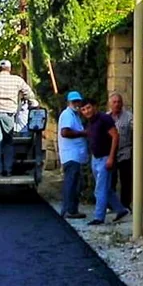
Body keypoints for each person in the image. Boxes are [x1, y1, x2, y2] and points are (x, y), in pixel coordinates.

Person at [0, 60, 39, 176]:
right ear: (10, 69)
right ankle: (8, 170)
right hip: (9, 114)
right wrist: (30, 101)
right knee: (8, 142)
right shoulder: (17, 80)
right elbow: (29, 94)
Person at [79, 98, 130, 225]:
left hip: (105, 158)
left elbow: (115, 136)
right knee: (106, 189)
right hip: (95, 159)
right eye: (84, 109)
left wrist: (111, 157)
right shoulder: (90, 122)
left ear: (95, 107)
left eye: (89, 107)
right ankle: (121, 209)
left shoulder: (104, 119)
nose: (87, 111)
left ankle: (98, 217)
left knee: (99, 189)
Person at [57, 91, 88, 219]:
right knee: (71, 183)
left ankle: (70, 209)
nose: (77, 104)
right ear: (69, 102)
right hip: (71, 155)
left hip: (75, 155)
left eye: (78, 102)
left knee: (74, 183)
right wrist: (83, 133)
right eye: (74, 102)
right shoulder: (68, 115)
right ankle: (70, 210)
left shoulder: (75, 115)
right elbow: (65, 132)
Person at [107, 92, 134, 210]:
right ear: (110, 104)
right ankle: (111, 205)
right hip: (110, 154)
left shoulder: (129, 116)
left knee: (126, 180)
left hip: (125, 152)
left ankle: (125, 205)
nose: (117, 104)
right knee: (110, 180)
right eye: (114, 102)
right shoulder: (106, 118)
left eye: (119, 102)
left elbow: (136, 130)